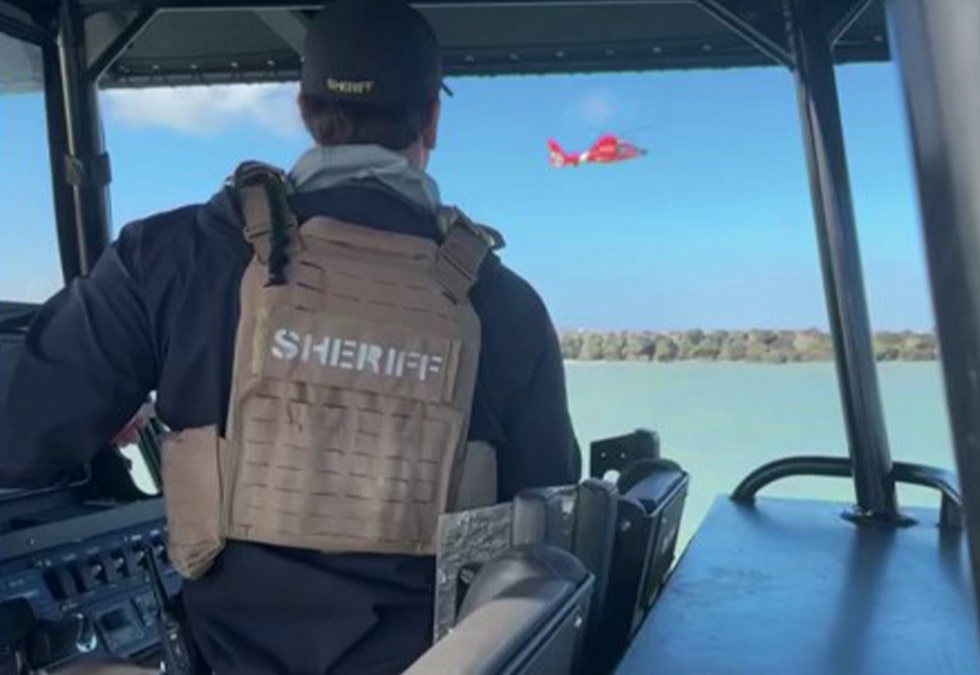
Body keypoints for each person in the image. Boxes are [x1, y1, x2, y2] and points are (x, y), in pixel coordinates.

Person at [0, 0, 581, 672]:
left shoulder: (169, 259)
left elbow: (19, 435)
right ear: (432, 120)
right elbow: (548, 530)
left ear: (305, 110)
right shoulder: (506, 309)